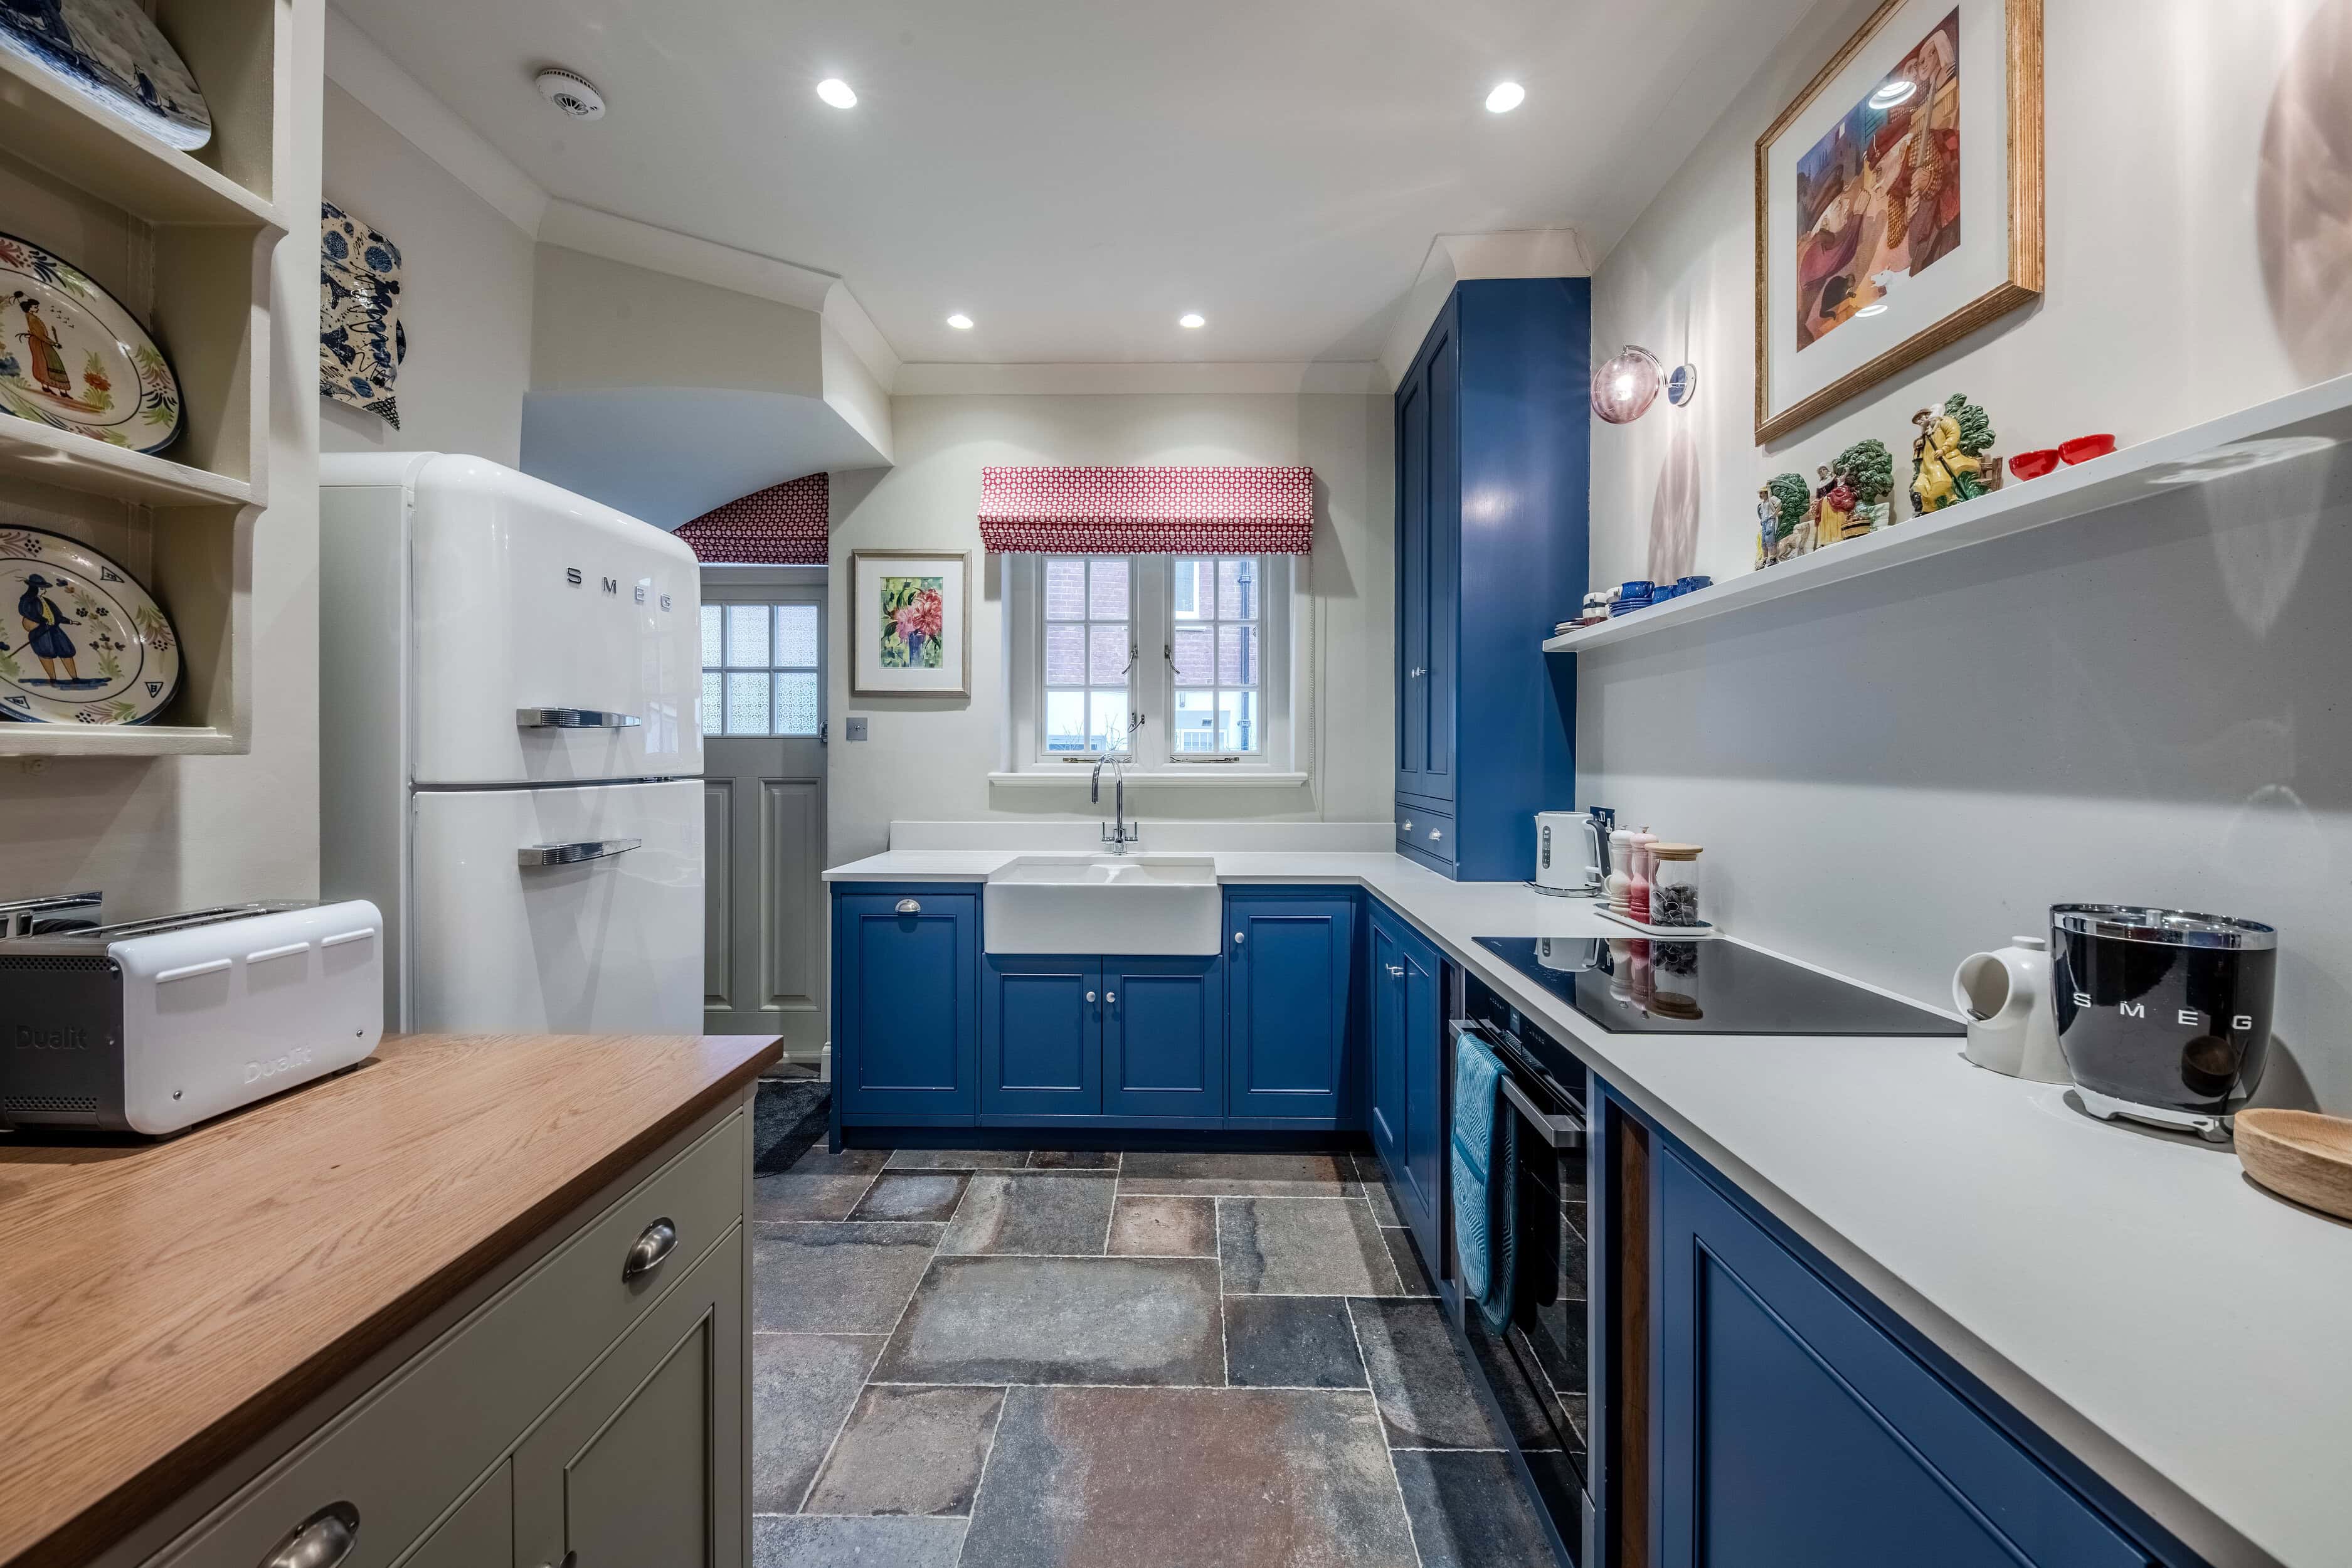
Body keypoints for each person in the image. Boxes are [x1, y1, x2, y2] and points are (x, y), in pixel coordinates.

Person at [17, 572, 80, 685]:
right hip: (41, 631)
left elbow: (57, 615)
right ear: (35, 589)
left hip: (54, 629)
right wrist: (41, 620)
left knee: (66, 650)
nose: (45, 591)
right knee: (46, 653)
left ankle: (75, 678)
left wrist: (70, 622)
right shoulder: (28, 601)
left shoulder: (47, 601)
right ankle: (53, 679)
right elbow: (25, 611)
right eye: (42, 589)